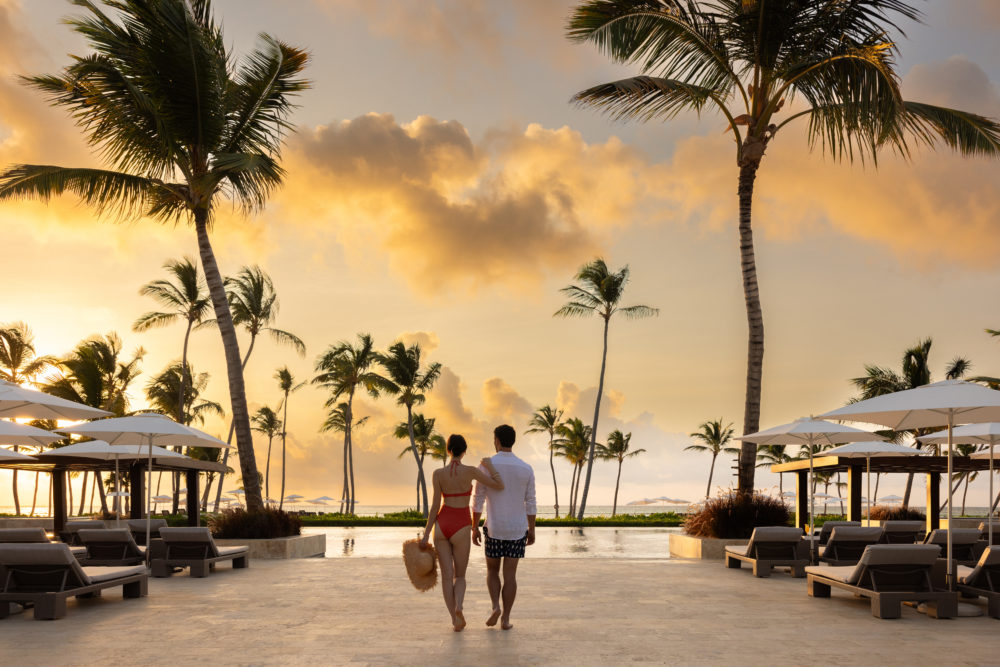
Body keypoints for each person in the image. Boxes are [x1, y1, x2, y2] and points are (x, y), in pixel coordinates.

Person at [419, 434, 504, 632]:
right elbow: (498, 485)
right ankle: (459, 605)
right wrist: (491, 468)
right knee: (461, 576)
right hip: (461, 524)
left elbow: (434, 507)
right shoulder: (471, 471)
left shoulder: (438, 474)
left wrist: (425, 535)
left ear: (448, 450)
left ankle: (454, 619)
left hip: (442, 524)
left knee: (447, 577)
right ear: (464, 451)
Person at [472, 424, 536, 631]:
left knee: (492, 571)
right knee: (510, 576)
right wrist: (532, 528)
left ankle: (495, 606)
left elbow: (478, 498)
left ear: (497, 440)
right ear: (513, 441)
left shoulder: (487, 465)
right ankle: (506, 619)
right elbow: (531, 501)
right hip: (517, 530)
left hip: (494, 528)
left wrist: (474, 527)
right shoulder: (526, 468)